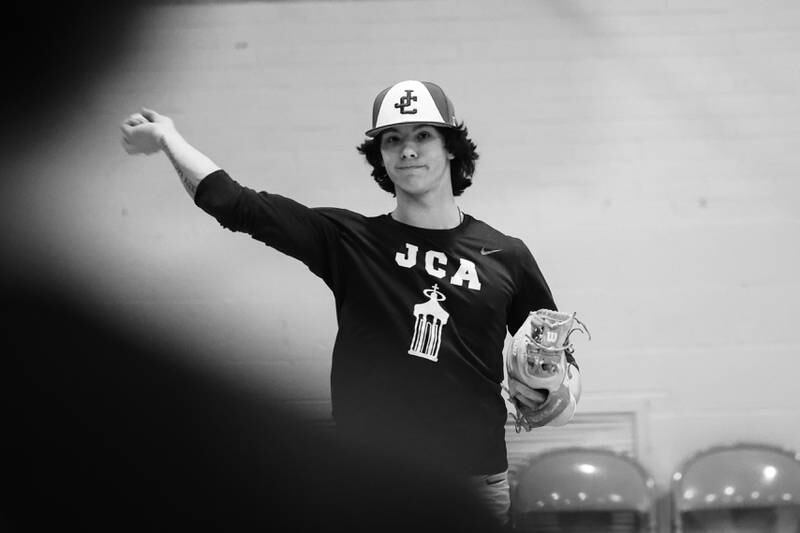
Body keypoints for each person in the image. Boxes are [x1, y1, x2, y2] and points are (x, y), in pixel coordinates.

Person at [120, 79, 582, 528]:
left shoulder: (506, 255)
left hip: (473, 481)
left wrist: (548, 391)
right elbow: (233, 203)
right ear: (379, 157)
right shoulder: (349, 240)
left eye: (423, 135)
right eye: (392, 140)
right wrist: (168, 137)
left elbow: (564, 366)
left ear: (451, 148)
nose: (408, 150)